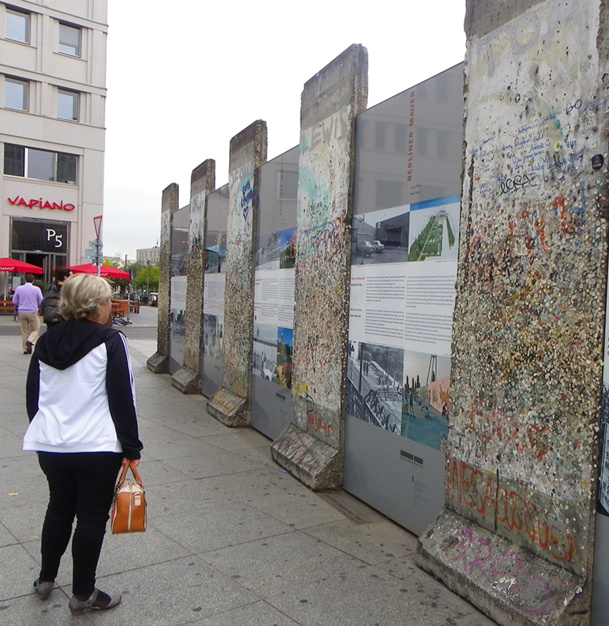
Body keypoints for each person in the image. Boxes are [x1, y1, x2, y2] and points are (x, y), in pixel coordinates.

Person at [23, 273, 143, 615]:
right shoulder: (110, 340)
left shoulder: (46, 340)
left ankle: (46, 579)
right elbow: (123, 398)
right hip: (96, 445)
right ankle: (83, 593)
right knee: (91, 517)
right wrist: (131, 448)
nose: (109, 307)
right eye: (106, 301)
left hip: (51, 444)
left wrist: (44, 429)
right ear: (96, 306)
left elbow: (34, 394)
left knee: (59, 507)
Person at [12, 273, 43, 354]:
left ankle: (25, 349)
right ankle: (30, 340)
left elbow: (14, 301)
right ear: (33, 280)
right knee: (35, 329)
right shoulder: (36, 289)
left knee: (24, 330)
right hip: (32, 311)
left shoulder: (19, 288)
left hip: (22, 311)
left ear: (24, 280)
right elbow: (41, 301)